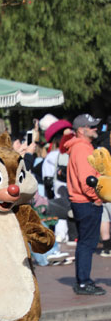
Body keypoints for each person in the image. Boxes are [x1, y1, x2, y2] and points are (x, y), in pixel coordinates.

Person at [65, 113, 105, 295]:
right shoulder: (82, 149)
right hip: (86, 202)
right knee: (87, 244)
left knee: (85, 242)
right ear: (81, 130)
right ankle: (83, 282)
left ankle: (83, 281)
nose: (96, 129)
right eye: (92, 126)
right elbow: (87, 180)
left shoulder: (81, 146)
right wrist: (96, 199)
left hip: (83, 202)